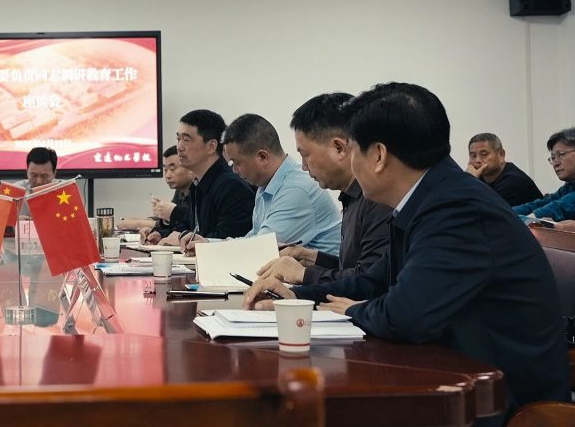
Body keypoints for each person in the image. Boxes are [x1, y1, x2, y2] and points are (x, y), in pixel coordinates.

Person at [244, 83, 569, 416]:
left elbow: (405, 316)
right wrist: (297, 297)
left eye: (354, 151)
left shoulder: (456, 209)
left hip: (505, 404)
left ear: (379, 155)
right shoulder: (428, 199)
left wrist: (352, 311)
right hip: (459, 375)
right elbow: (374, 280)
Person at [257, 93, 393, 285]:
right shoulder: (351, 196)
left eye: (305, 155)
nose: (304, 166)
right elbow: (354, 268)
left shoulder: (378, 199)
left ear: (339, 148)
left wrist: (304, 274)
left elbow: (370, 282)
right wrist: (312, 258)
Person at [188, 114, 340, 255]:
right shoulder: (266, 187)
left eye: (237, 163)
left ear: (262, 157)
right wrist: (207, 243)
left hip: (321, 274)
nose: (234, 170)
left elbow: (259, 249)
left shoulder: (297, 190)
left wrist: (209, 248)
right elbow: (253, 239)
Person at [158, 110, 253, 247]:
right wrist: (161, 235)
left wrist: (182, 238)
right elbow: (190, 228)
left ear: (211, 146)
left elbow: (227, 240)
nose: (179, 147)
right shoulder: (198, 183)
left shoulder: (231, 186)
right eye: (178, 139)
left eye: (186, 140)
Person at [513, 127, 575, 221]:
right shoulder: (569, 186)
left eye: (561, 154)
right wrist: (504, 212)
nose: (555, 163)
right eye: (553, 158)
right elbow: (542, 203)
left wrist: (530, 219)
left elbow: (561, 206)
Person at [134, 145, 193, 243]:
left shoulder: (200, 190)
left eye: (172, 169)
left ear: (190, 168)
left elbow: (199, 228)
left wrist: (173, 212)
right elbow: (178, 228)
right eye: (165, 170)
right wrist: (159, 234)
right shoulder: (180, 192)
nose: (167, 175)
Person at [466, 133, 541, 206]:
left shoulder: (513, 181)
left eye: (484, 154)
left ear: (501, 155)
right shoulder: (478, 177)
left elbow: (481, 210)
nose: (478, 160)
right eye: (473, 155)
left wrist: (468, 181)